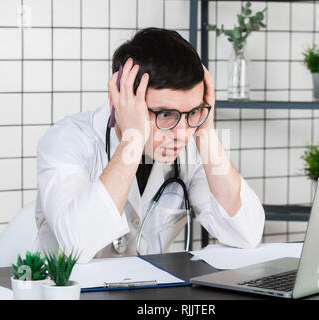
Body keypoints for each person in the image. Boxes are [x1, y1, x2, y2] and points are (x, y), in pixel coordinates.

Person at [34, 27, 265, 263]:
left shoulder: (191, 145)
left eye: (193, 111)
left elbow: (246, 233)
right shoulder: (67, 140)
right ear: (120, 100)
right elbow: (77, 245)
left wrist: (205, 129)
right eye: (166, 114)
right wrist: (133, 139)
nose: (182, 133)